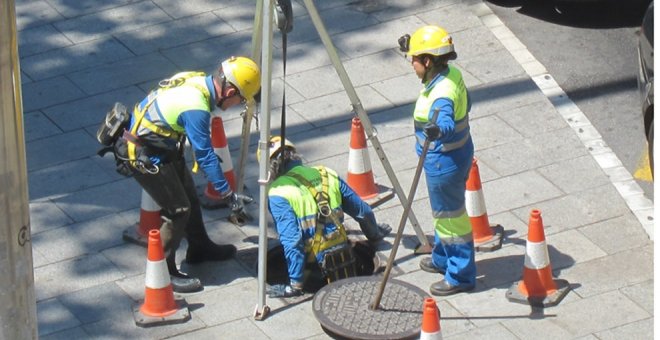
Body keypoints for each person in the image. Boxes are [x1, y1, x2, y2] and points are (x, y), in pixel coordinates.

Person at [113, 56, 261, 293]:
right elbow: (204, 155)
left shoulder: (195, 79)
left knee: (190, 197)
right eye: (240, 99)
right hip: (144, 154)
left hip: (160, 144)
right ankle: (162, 272)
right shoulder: (196, 108)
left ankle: (200, 248)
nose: (237, 104)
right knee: (178, 209)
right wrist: (227, 194)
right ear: (230, 90)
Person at [398, 25, 476, 296]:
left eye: (415, 59)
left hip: (444, 162)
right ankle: (442, 257)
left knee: (452, 219)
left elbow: (444, 122)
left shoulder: (441, 95)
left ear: (428, 61)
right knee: (443, 214)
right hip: (458, 153)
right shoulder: (451, 75)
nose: (412, 64)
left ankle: (460, 274)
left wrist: (437, 130)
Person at [261, 136, 392, 298]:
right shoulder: (326, 174)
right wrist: (374, 235)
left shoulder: (278, 192)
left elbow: (292, 241)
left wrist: (294, 285)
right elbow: (363, 211)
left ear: (269, 169)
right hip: (345, 257)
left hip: (314, 268)